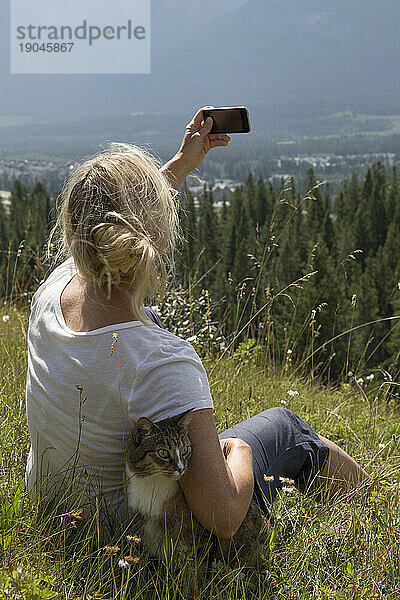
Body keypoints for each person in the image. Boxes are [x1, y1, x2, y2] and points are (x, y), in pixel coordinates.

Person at [25, 106, 374, 544]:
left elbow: (112, 229)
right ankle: (378, 507)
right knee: (286, 427)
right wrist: (240, 450)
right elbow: (223, 516)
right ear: (156, 235)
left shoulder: (50, 296)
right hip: (143, 534)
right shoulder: (160, 363)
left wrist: (180, 165)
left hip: (59, 519)